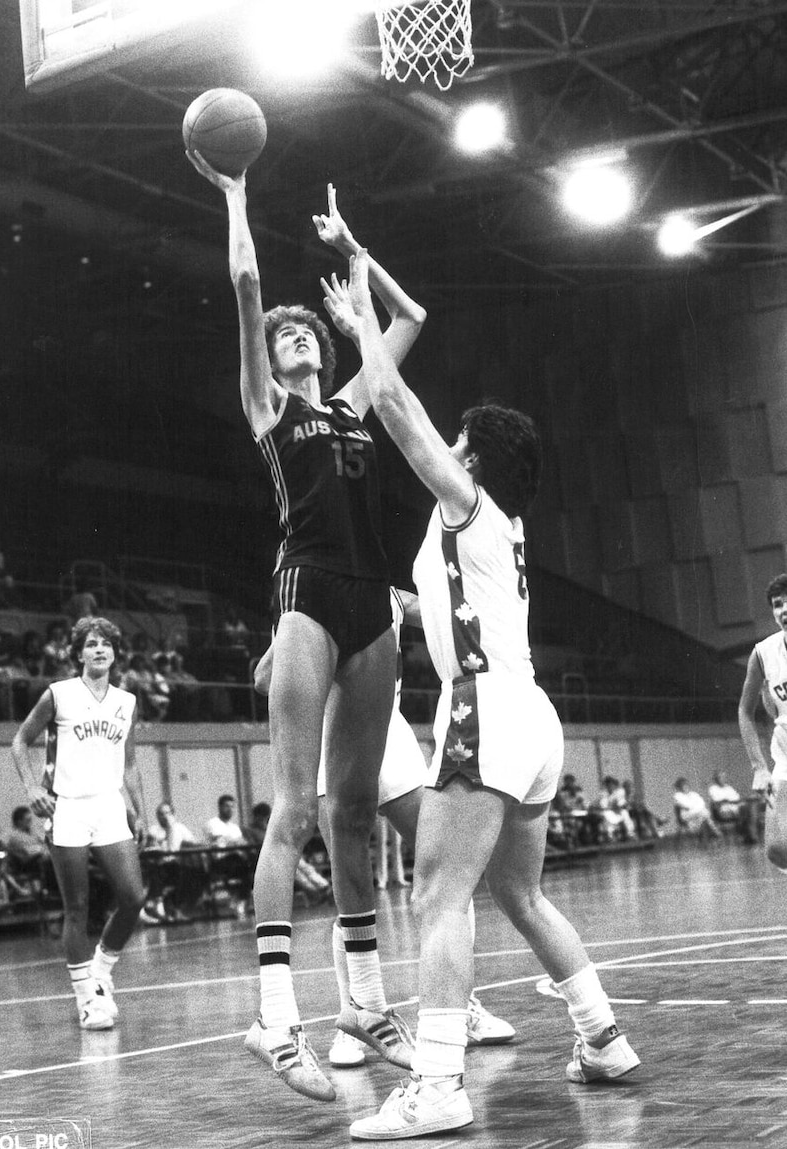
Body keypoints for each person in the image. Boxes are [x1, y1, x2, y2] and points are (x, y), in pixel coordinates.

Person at [322, 251, 638, 1138]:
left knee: (438, 898)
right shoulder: (504, 525)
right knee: (521, 897)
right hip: (533, 717)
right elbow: (464, 600)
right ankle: (602, 1037)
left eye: (460, 438)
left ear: (473, 456)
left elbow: (391, 406)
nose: (448, 443)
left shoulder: (465, 498)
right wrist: (409, 603)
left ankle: (436, 1086)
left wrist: (361, 328)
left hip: (486, 708)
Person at [187, 148, 426, 1102]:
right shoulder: (269, 407)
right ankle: (275, 1017)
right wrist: (238, 195)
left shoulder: (361, 401)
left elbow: (410, 320)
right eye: (281, 336)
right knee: (292, 807)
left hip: (376, 602)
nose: (291, 338)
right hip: (307, 594)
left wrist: (359, 256)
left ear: (323, 348)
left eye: (300, 335)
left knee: (356, 814)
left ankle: (362, 1002)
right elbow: (248, 283)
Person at [254, 587, 516, 1071]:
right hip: (329, 734)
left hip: (389, 734)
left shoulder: (394, 597)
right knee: (349, 880)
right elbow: (262, 678)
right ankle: (355, 1014)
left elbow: (449, 615)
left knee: (448, 866)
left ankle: (462, 1006)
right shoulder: (304, 602)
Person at [10, 615, 146, 1031]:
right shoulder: (59, 694)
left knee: (133, 897)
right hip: (66, 807)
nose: (99, 649)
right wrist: (32, 788)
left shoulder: (127, 702)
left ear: (116, 652)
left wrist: (139, 809)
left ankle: (101, 972)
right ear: (78, 653)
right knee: (78, 907)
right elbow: (20, 741)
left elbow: (131, 762)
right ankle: (87, 999)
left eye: (106, 643)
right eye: (91, 644)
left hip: (108, 807)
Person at [738, 572, 787, 869]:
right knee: (776, 849)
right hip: (785, 755)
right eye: (778, 604)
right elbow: (745, 711)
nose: (784, 610)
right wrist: (759, 766)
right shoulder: (764, 653)